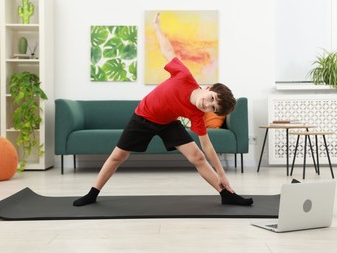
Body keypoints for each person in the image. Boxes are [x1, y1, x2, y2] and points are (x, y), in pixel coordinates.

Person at [73, 13, 253, 207]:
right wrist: (157, 26)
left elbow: (207, 147)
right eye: (211, 99)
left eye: (212, 108)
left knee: (197, 157)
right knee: (119, 156)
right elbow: (167, 50)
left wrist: (222, 175)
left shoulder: (197, 115)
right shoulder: (184, 76)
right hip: (144, 116)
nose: (207, 105)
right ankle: (92, 193)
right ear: (208, 88)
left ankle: (226, 194)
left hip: (167, 122)